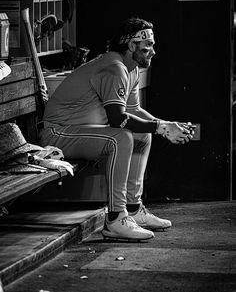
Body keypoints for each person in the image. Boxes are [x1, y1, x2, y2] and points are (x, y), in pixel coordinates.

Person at [39, 17, 195, 241]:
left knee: (142, 134)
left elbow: (134, 110)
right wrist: (162, 127)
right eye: (147, 46)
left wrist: (167, 126)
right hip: (58, 133)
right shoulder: (114, 68)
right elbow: (118, 119)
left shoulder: (130, 69)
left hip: (80, 130)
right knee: (120, 138)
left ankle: (133, 208)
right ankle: (115, 218)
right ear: (131, 45)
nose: (153, 51)